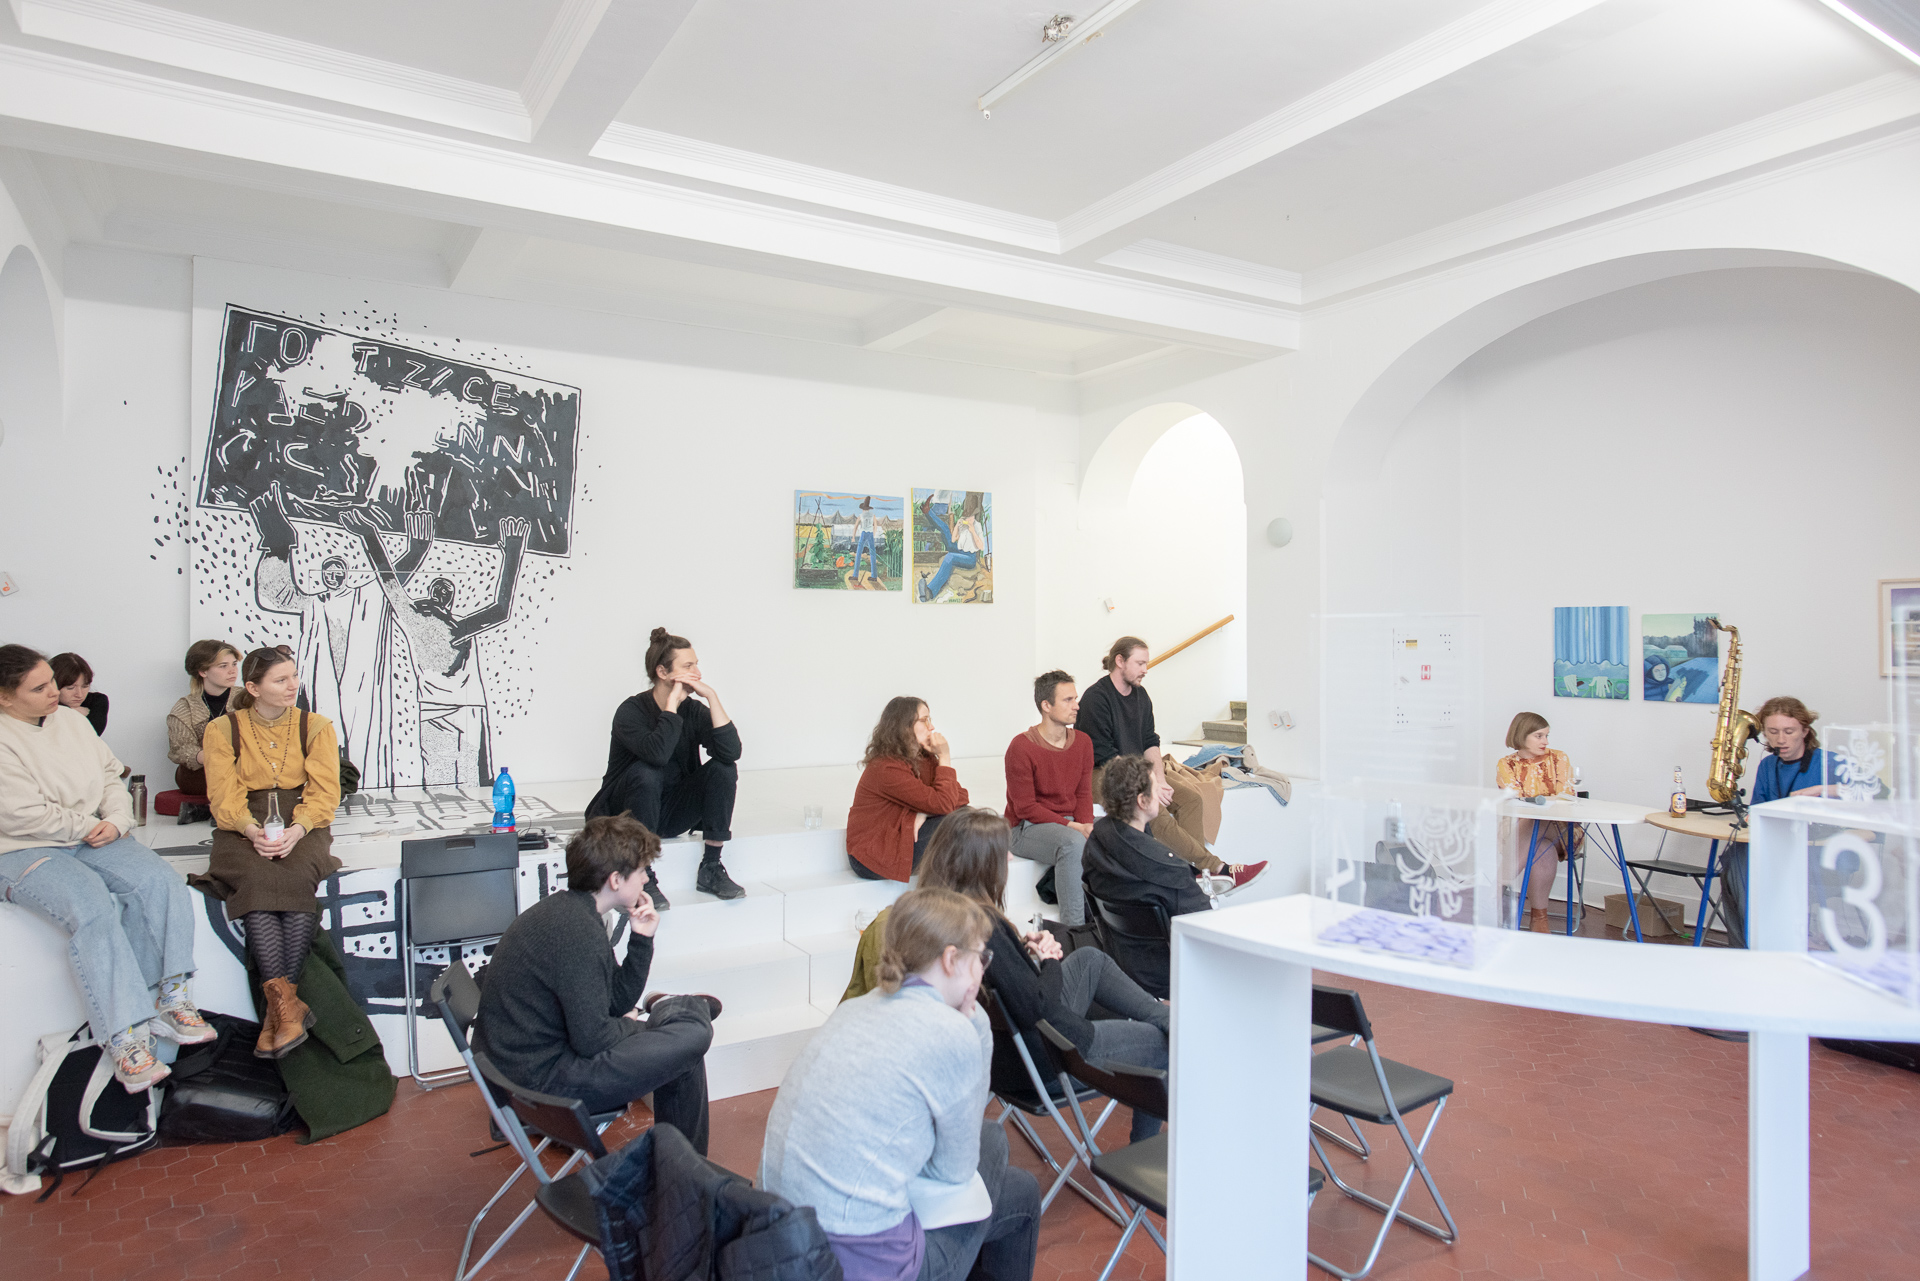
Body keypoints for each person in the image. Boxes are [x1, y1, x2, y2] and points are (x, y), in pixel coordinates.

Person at [762, 887, 1040, 1281]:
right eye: (981, 958)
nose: (983, 971)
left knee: (1020, 1189)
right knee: (994, 1141)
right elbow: (955, 1172)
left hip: (786, 1241)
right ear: (951, 959)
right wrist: (976, 1024)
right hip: (860, 1261)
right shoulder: (952, 1030)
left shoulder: (854, 1009)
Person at [0, 644, 215, 1091]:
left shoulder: (72, 722)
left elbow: (110, 778)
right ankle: (124, 1035)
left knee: (160, 880)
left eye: (51, 682)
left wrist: (118, 819)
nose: (54, 692)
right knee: (90, 904)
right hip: (21, 848)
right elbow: (22, 815)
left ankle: (169, 996)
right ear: (5, 697)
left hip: (92, 834)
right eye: (38, 688)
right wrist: (91, 825)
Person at [923, 807, 1169, 1142]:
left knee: (1089, 960)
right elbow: (1038, 1008)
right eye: (1003, 852)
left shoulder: (940, 918)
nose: (1010, 858)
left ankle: (1167, 1018)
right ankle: (1143, 1156)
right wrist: (1048, 960)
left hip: (1006, 1059)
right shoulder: (985, 927)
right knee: (1163, 1044)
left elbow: (1012, 993)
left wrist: (1029, 956)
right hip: (1050, 1058)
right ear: (982, 863)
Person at [475, 814, 718, 1153]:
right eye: (642, 871)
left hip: (527, 1072)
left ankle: (674, 1011)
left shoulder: (574, 914)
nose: (646, 879)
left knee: (684, 1047)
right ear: (616, 880)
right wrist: (631, 1023)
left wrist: (642, 938)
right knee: (695, 1035)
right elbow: (594, 1039)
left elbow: (615, 1001)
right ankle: (675, 1010)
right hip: (541, 1087)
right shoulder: (576, 932)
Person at [196, 646, 343, 1059]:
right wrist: (250, 830)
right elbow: (223, 795)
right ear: (253, 688)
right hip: (241, 820)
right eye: (281, 680)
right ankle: (287, 1009)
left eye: (294, 676)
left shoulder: (316, 726)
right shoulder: (222, 729)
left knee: (297, 877)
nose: (293, 685)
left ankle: (276, 1014)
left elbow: (324, 792)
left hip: (302, 818)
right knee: (257, 882)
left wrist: (299, 828)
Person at [250, 483, 423, 789]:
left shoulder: (364, 599)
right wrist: (277, 546)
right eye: (328, 571)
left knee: (357, 735)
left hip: (358, 684)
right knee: (322, 735)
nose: (333, 575)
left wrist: (417, 548)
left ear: (346, 575)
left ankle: (352, 784)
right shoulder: (314, 602)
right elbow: (276, 595)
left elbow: (391, 582)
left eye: (338, 571)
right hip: (322, 681)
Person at [341, 507, 529, 786]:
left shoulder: (446, 625)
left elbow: (501, 610)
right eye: (439, 590)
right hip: (443, 707)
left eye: (446, 591)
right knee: (446, 780)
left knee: (462, 780)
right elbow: (389, 582)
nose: (442, 593)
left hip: (457, 707)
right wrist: (512, 551)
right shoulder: (431, 623)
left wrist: (513, 552)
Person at [1078, 636, 1264, 890]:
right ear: (1120, 661)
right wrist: (1149, 784)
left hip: (1137, 771)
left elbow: (1150, 741)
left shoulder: (1141, 696)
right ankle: (1215, 868)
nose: (1146, 669)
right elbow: (1106, 756)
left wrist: (1160, 779)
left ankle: (1192, 874)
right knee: (1153, 806)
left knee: (1192, 799)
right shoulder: (1095, 698)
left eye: (1146, 663)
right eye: (1140, 663)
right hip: (1105, 774)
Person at [586, 628, 744, 910]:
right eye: (688, 666)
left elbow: (731, 752)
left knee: (724, 768)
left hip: (668, 815)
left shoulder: (692, 710)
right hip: (624, 816)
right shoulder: (631, 711)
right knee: (647, 772)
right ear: (662, 672)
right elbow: (657, 755)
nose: (697, 673)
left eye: (696, 664)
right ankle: (643, 875)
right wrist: (671, 706)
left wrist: (712, 698)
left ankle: (711, 867)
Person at [1082, 753, 1214, 999]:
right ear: (1142, 801)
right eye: (1155, 788)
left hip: (1121, 964)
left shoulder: (1095, 845)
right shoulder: (1168, 870)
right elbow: (1207, 930)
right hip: (1165, 974)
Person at [1719, 696, 1839, 950]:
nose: (1780, 739)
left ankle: (1758, 943)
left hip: (1818, 852)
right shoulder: (1767, 765)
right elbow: (1758, 811)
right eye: (1772, 732)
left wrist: (1822, 790)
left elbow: (1878, 792)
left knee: (1742, 863)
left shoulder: (1828, 762)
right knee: (1734, 858)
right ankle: (1750, 945)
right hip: (1777, 849)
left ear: (1805, 731)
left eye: (1789, 731)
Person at [1003, 670, 1093, 926]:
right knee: (1073, 843)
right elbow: (1025, 807)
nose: (1076, 706)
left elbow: (1083, 793)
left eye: (1075, 698)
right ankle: (1075, 929)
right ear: (1046, 705)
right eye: (1068, 700)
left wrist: (1087, 826)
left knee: (1114, 832)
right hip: (1025, 828)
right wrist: (1074, 827)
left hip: (1068, 823)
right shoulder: (1021, 747)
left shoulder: (1083, 742)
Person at [847, 697, 968, 882]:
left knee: (967, 815)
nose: (931, 727)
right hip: (875, 854)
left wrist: (925, 813)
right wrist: (945, 757)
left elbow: (960, 797)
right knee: (959, 823)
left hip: (904, 833)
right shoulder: (885, 767)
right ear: (905, 726)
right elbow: (945, 803)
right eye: (924, 720)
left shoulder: (924, 758)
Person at [1495, 711, 1578, 934]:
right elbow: (1515, 801)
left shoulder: (1559, 758)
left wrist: (1537, 805)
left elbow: (1564, 796)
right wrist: (1538, 804)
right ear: (1521, 735)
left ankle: (1495, 888)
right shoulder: (1506, 764)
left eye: (1546, 736)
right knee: (1541, 846)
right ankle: (1539, 920)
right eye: (1539, 736)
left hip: (1561, 828)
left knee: (1538, 821)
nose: (1546, 742)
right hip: (1519, 828)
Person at [166, 639, 243, 797]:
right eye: (223, 666)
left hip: (244, 770)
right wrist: (210, 757)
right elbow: (180, 749)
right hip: (201, 777)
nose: (233, 671)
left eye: (234, 664)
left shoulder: (247, 698)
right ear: (203, 671)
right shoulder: (184, 708)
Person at [917, 491, 989, 603]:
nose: (968, 518)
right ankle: (928, 512)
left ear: (974, 515)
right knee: (945, 529)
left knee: (949, 557)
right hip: (959, 550)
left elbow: (981, 546)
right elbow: (953, 540)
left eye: (970, 516)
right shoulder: (963, 522)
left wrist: (973, 531)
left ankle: (930, 592)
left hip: (970, 558)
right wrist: (957, 527)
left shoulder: (977, 526)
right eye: (967, 515)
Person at [50, 652, 109, 736]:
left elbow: (90, 735)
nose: (79, 694)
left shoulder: (97, 701)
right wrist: (70, 712)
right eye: (70, 688)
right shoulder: (42, 706)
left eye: (85, 686)